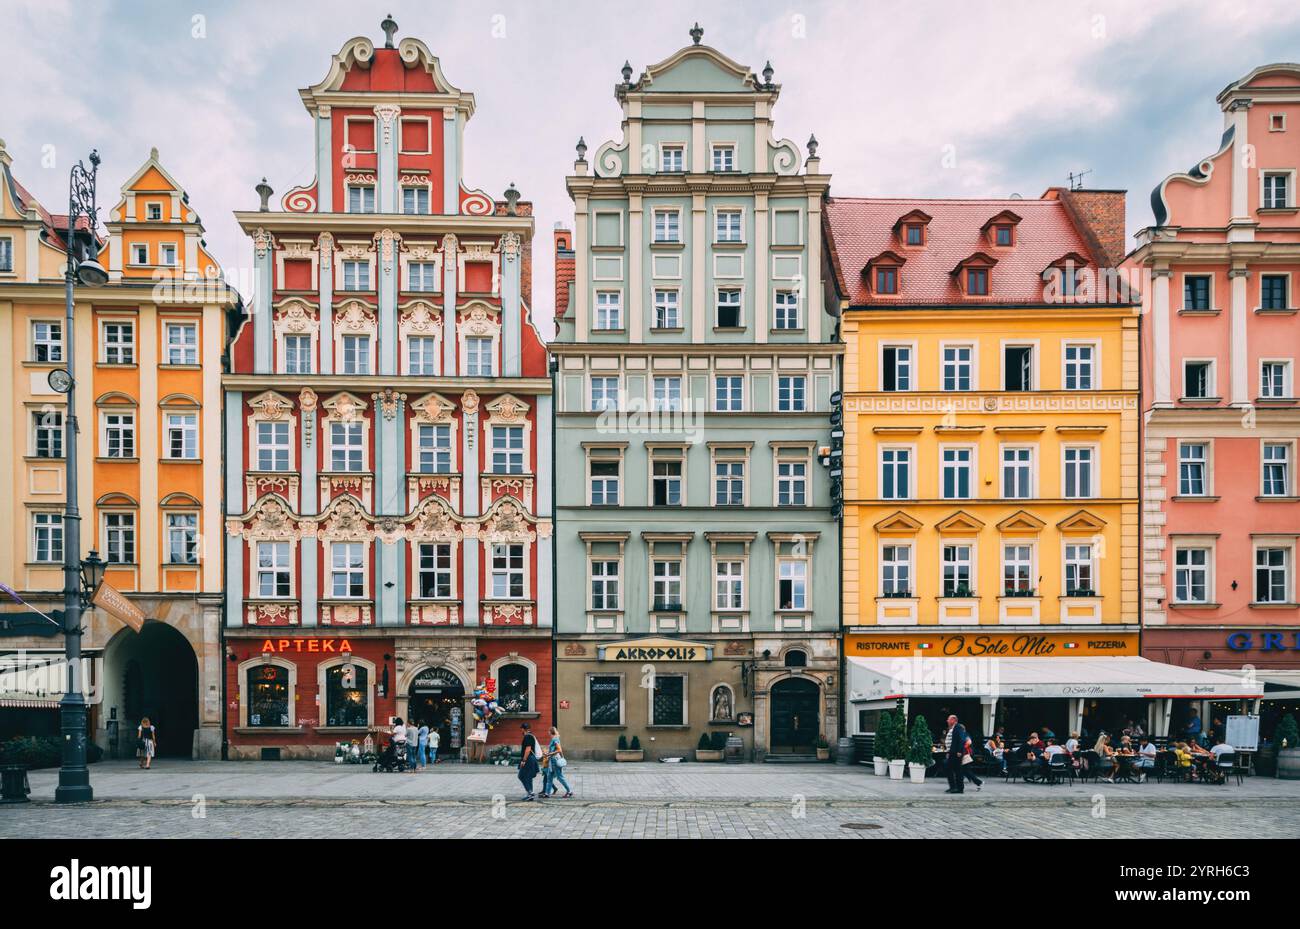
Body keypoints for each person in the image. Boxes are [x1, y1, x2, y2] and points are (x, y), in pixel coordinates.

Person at [542, 726, 574, 798]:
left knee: (560, 777)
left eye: (549, 731)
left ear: (551, 732)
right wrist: (562, 757)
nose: (548, 732)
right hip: (552, 760)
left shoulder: (555, 739)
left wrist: (548, 754)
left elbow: (559, 750)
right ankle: (547, 793)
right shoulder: (554, 739)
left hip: (554, 761)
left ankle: (569, 791)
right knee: (549, 777)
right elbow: (560, 750)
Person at [943, 714, 969, 794]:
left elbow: (961, 740)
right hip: (952, 752)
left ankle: (959, 788)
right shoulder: (952, 728)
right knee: (950, 768)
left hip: (956, 753)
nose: (947, 721)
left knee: (957, 770)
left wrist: (959, 751)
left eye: (948, 719)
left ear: (953, 720)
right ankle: (953, 787)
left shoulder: (958, 727)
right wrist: (948, 751)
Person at [517, 722, 542, 801]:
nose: (521, 730)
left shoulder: (527, 737)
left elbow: (528, 749)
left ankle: (530, 793)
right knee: (528, 777)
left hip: (528, 759)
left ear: (523, 729)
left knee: (521, 776)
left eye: (521, 729)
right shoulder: (531, 736)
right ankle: (530, 794)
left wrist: (523, 760)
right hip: (531, 758)